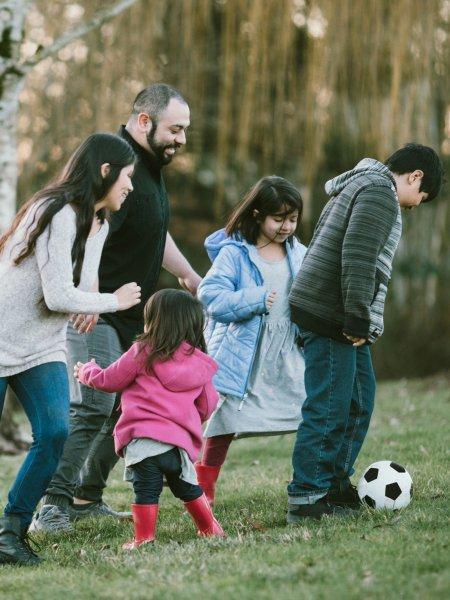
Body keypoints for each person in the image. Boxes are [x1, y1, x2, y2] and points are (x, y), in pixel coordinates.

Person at [35, 84, 202, 532]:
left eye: (185, 130)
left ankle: (86, 496)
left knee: (127, 408)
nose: (181, 139)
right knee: (93, 405)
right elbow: (89, 226)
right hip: (95, 311)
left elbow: (155, 230)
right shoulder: (117, 164)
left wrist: (187, 274)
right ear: (144, 121)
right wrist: (84, 291)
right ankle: (51, 504)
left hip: (133, 315)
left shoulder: (149, 168)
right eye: (175, 129)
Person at [0, 133, 141, 565]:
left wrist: (93, 302)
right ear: (105, 171)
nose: (130, 186)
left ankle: (10, 533)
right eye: (127, 177)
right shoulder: (59, 211)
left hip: (42, 346)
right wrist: (111, 302)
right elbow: (60, 295)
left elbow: (84, 284)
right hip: (2, 338)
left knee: (55, 433)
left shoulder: (98, 221)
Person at [286, 143, 444, 522]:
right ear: (415, 176)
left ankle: (335, 483)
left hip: (334, 310)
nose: (415, 205)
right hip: (332, 313)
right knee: (329, 406)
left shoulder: (363, 186)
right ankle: (307, 496)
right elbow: (357, 256)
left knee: (359, 399)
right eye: (420, 196)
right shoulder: (378, 194)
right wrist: (357, 317)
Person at [74, 289, 224, 548]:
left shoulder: (143, 350)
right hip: (178, 445)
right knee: (188, 488)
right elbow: (208, 405)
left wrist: (87, 371)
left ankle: (144, 539)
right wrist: (184, 419)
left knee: (146, 491)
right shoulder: (200, 362)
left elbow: (110, 380)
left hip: (144, 440)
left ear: (154, 321)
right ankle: (211, 528)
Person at [196, 176, 307, 505]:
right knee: (224, 422)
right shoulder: (235, 254)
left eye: (293, 219)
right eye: (278, 218)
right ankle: (203, 491)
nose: (286, 226)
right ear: (258, 214)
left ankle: (313, 481)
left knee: (310, 414)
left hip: (288, 352)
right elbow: (210, 296)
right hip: (243, 353)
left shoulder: (300, 253)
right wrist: (255, 299)